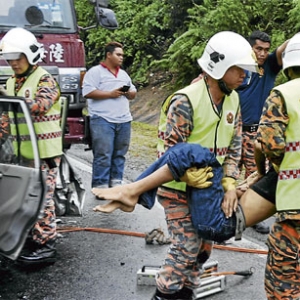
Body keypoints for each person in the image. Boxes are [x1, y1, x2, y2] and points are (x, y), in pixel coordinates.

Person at [96, 31, 258, 300]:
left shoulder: (234, 100)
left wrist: (229, 184)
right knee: (186, 246)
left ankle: (185, 291)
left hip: (210, 188)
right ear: (220, 68)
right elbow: (171, 152)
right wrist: (186, 178)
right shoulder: (185, 100)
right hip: (176, 188)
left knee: (204, 248)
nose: (244, 75)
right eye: (239, 69)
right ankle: (165, 293)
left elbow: (234, 148)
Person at [192, 31, 289, 234]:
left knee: (254, 175)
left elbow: (285, 48)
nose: (262, 54)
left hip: (256, 133)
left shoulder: (269, 67)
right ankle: (213, 211)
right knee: (225, 171)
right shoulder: (234, 70)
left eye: (265, 50)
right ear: (249, 48)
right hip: (232, 131)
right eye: (258, 49)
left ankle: (245, 215)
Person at [0, 27, 62, 264]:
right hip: (21, 154)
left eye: (18, 58)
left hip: (44, 153)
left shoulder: (45, 79)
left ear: (30, 55)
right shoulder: (11, 81)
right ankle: (31, 237)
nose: (13, 64)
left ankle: (46, 244)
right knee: (24, 197)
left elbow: (41, 105)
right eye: (10, 59)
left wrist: (10, 98)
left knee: (43, 199)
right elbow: (6, 119)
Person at [255, 32, 300, 300]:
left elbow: (267, 144)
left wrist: (265, 171)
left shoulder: (282, 94)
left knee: (282, 275)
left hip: (294, 203)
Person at [82, 41, 137, 189]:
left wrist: (128, 92)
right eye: (118, 54)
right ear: (108, 55)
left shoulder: (124, 74)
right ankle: (100, 186)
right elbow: (87, 92)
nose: (121, 58)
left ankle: (116, 184)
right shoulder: (95, 72)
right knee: (103, 154)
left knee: (120, 154)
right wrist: (110, 94)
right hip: (102, 119)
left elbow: (133, 93)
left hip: (124, 119)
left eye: (122, 55)